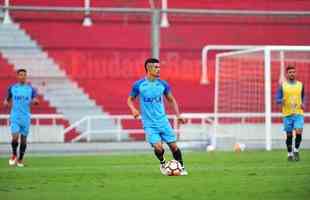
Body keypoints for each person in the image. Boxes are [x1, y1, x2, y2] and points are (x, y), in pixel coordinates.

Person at [127, 58, 188, 175]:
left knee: (174, 146)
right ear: (148, 68)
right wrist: (133, 109)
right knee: (158, 148)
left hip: (163, 121)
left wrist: (178, 115)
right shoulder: (139, 85)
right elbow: (129, 99)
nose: (159, 69)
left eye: (159, 67)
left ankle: (181, 167)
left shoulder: (163, 84)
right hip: (149, 123)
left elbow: (171, 99)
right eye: (156, 67)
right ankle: (163, 163)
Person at [3, 69, 39, 167]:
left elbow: (35, 99)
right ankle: (14, 154)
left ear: (26, 77)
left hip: (25, 117)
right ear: (18, 76)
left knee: (23, 140)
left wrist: (35, 101)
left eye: (24, 75)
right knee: (15, 137)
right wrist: (6, 102)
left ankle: (20, 159)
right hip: (15, 116)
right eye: (20, 75)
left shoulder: (31, 89)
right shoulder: (12, 88)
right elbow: (8, 98)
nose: (22, 76)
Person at [276, 65, 304, 161]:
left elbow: (303, 96)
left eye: (293, 72)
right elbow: (277, 99)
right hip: (287, 114)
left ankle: (296, 150)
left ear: (295, 73)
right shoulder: (283, 86)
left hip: (298, 113)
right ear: (287, 74)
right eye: (290, 72)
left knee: (299, 131)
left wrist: (303, 103)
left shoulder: (300, 85)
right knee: (289, 135)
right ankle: (289, 153)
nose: (292, 73)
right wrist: (281, 101)